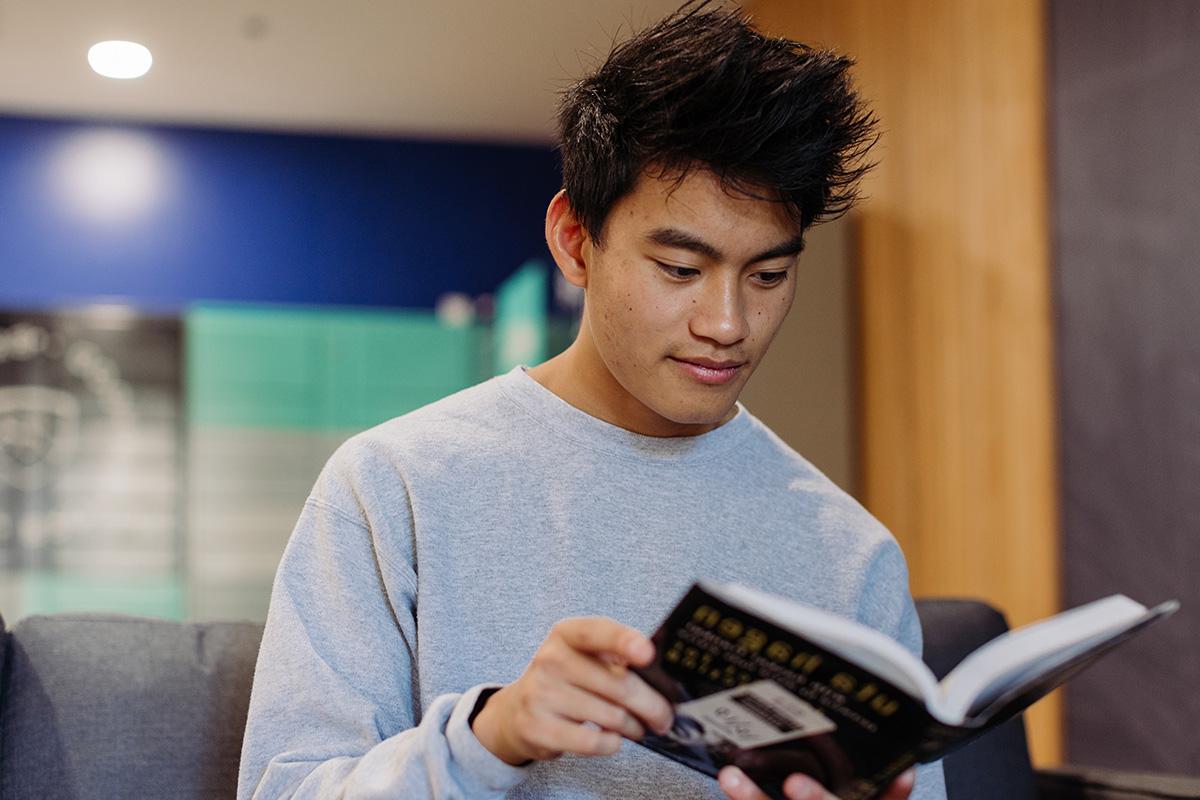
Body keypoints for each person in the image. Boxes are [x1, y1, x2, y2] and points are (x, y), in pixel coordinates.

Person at [237, 2, 948, 799]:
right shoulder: (392, 486)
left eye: (769, 276)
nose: (727, 324)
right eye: (680, 269)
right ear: (575, 242)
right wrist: (488, 736)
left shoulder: (852, 556)